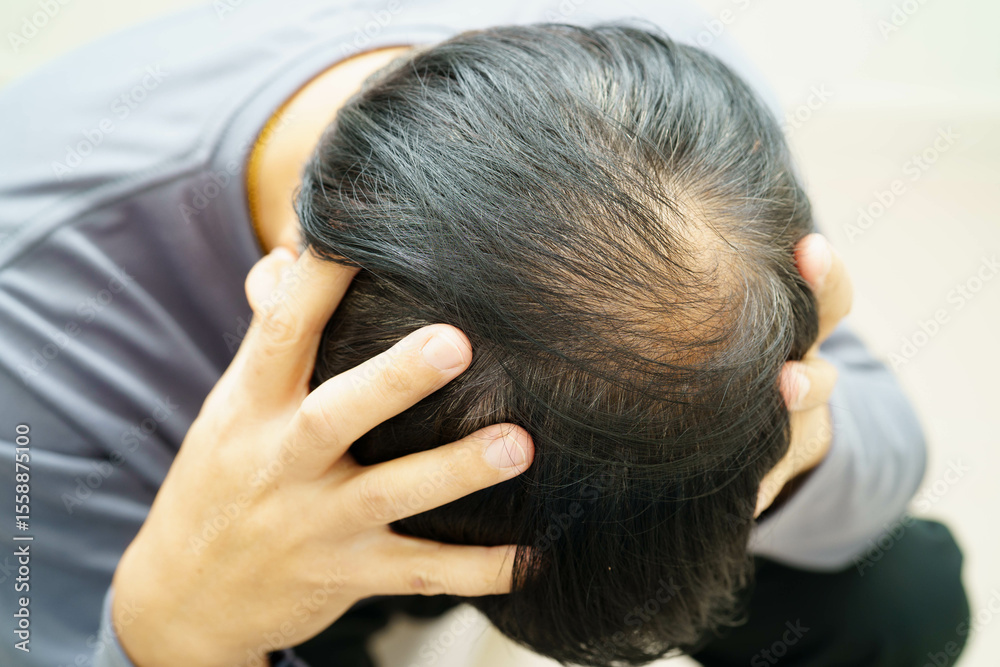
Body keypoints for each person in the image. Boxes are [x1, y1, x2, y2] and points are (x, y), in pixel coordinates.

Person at [0, 3, 967, 667]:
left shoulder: (675, 114)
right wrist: (175, 634)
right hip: (198, 546)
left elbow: (887, 437)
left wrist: (795, 448)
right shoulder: (33, 334)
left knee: (900, 595)